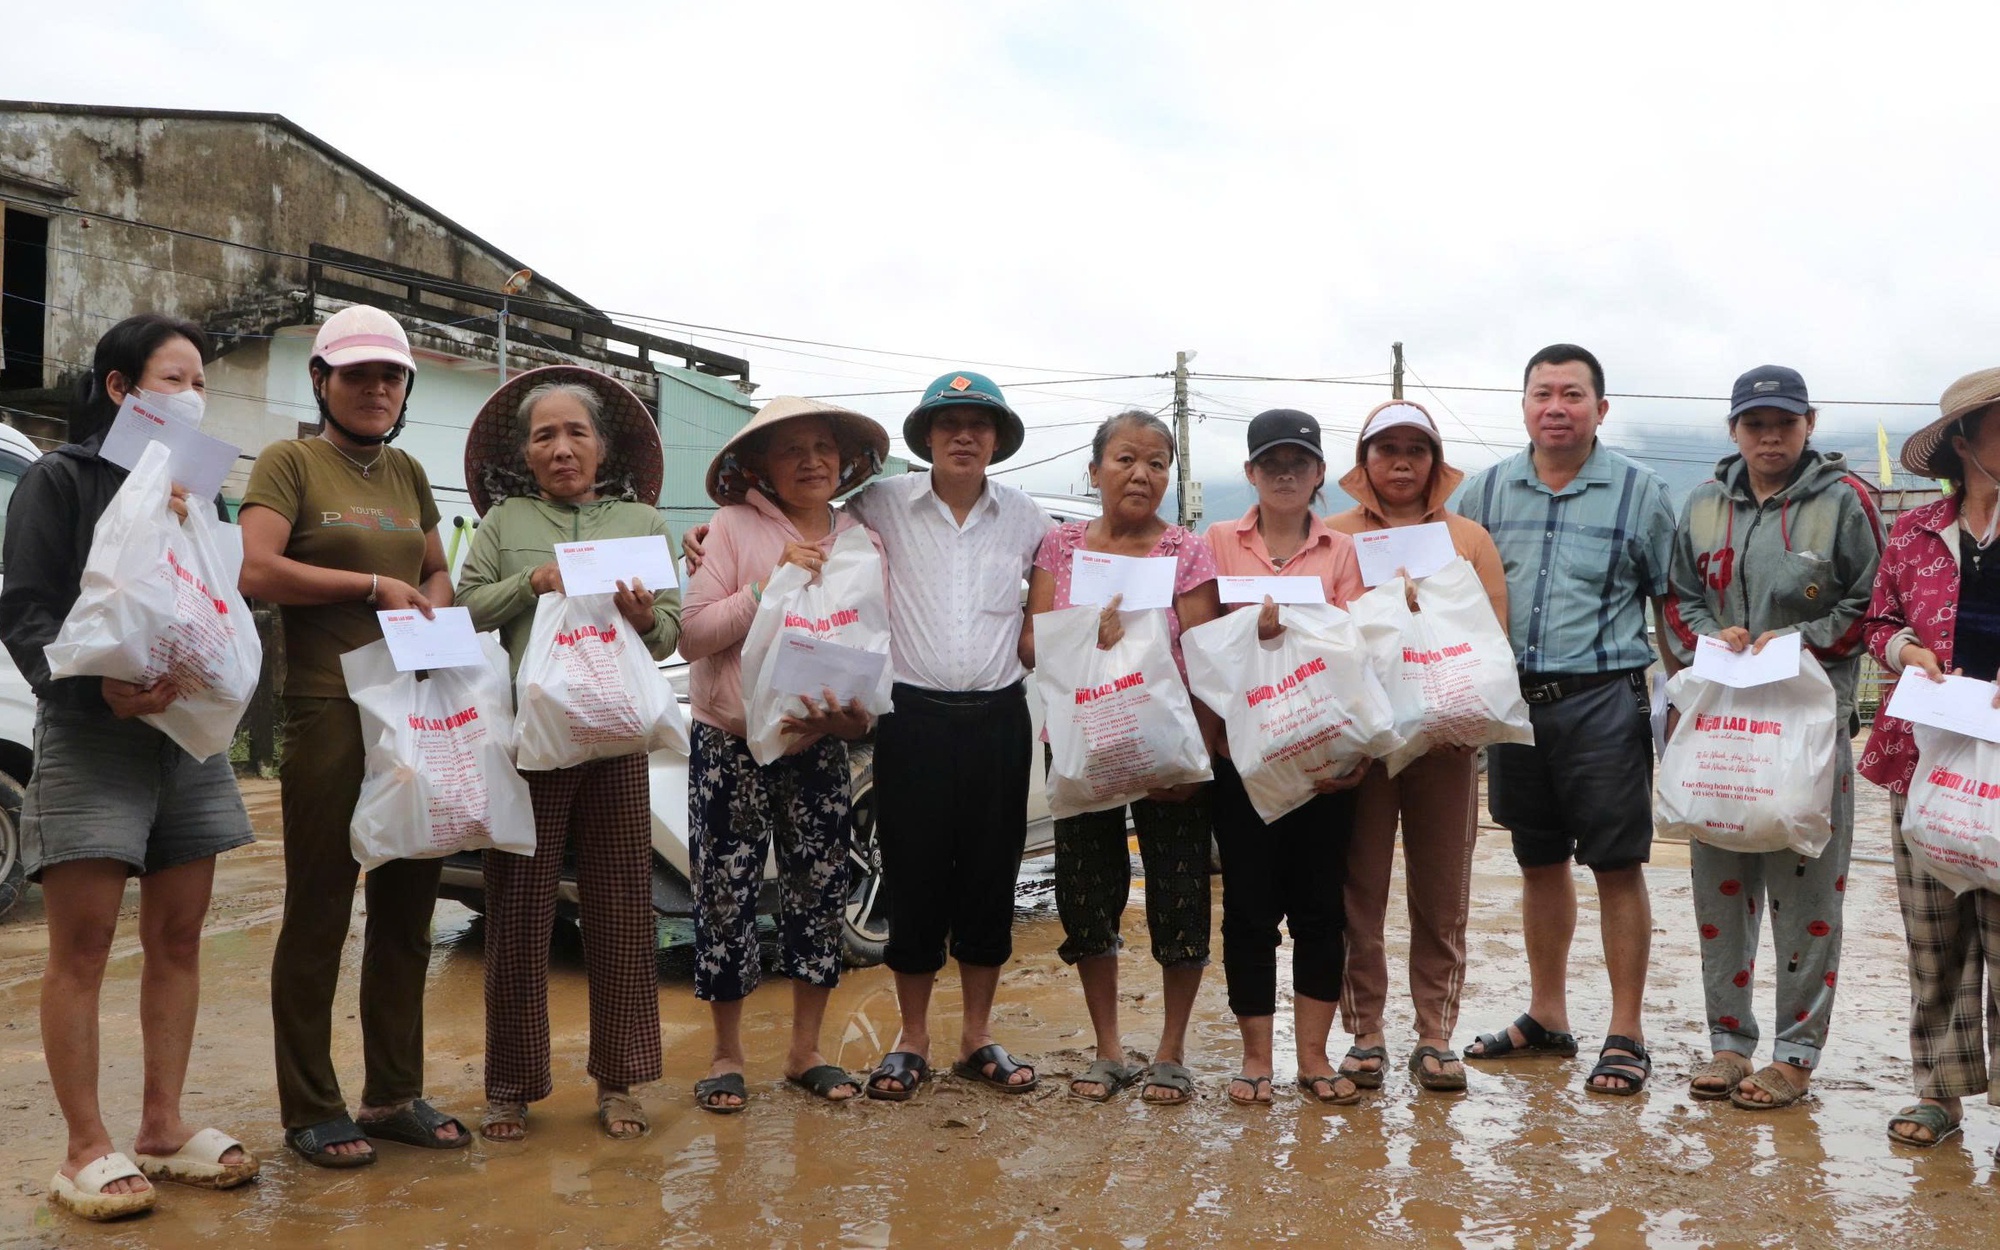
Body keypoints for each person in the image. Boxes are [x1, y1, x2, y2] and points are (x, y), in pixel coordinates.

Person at [0, 315, 258, 1220]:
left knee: (179, 939)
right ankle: (83, 1148)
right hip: (92, 734)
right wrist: (90, 694)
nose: (193, 396)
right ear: (121, 388)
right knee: (82, 946)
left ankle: (161, 1124)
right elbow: (26, 610)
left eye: (200, 384)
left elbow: (212, 601)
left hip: (186, 737)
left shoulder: (199, 488)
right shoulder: (60, 479)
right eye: (176, 378)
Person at [238, 305, 465, 1166]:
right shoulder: (289, 461)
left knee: (409, 905)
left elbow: (437, 567)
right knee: (322, 906)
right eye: (359, 373)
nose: (377, 388)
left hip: (414, 708)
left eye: (391, 376)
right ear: (322, 380)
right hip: (330, 704)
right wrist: (372, 584)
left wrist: (432, 603)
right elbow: (257, 567)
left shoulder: (407, 472)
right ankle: (310, 1106)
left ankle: (393, 1093)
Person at [455, 366, 682, 1143]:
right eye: (545, 435)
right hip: (530, 742)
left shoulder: (642, 521)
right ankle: (510, 1087)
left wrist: (645, 614)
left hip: (614, 738)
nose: (561, 448)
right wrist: (532, 581)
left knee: (621, 907)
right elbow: (463, 607)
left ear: (602, 444)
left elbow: (669, 631)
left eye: (576, 432)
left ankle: (620, 1082)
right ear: (525, 451)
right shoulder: (505, 522)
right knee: (517, 912)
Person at [1456, 344, 1678, 1095]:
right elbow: (1449, 597)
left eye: (1573, 394)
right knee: (1537, 858)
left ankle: (1626, 1031)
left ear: (1600, 409)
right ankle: (1546, 1016)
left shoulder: (1640, 493)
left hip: (1605, 700)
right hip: (1516, 704)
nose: (1558, 406)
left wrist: (1692, 699)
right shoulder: (1482, 495)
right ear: (1523, 405)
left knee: (1618, 864)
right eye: (1543, 393)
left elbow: (1670, 602)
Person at [1664, 366, 1883, 1110]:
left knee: (1808, 890)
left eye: (1783, 423)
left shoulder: (1845, 502)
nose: (1769, 436)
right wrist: (1705, 635)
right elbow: (1676, 596)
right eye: (1755, 423)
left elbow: (1873, 599)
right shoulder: (1700, 504)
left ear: (1809, 424)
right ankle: (1729, 1044)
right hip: (1723, 731)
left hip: (1807, 729)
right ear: (1733, 429)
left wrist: (1800, 641)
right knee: (1720, 889)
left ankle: (1794, 1054)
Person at [679, 397, 889, 1112]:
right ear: (760, 467)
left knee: (820, 892)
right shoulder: (733, 530)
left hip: (818, 743)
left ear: (845, 461)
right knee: (725, 893)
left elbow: (873, 646)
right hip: (731, 742)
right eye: (791, 449)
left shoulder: (861, 539)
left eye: (823, 446)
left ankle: (806, 1052)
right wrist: (768, 585)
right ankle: (726, 1056)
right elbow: (693, 635)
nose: (810, 460)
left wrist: (859, 718)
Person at [1021, 410, 1222, 1105]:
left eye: (1158, 462)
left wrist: (1193, 760)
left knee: (1179, 888)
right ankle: (1108, 1049)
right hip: (1081, 746)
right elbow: (1032, 647)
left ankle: (1170, 1050)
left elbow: (1200, 651)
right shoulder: (1062, 547)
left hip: (1164, 749)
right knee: (1085, 889)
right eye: (1126, 459)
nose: (1142, 474)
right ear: (1095, 468)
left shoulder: (1186, 552)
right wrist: (1089, 632)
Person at [1327, 400, 1509, 1096]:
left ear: (1436, 462)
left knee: (1442, 891)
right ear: (1364, 460)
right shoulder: (1334, 537)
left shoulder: (1468, 539)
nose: (1401, 461)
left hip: (1445, 744)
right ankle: (1365, 1032)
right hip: (1364, 749)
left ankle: (1434, 1032)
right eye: (1385, 449)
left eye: (1416, 449)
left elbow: (1492, 637)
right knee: (1358, 890)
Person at [1202, 409, 1369, 1107]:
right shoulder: (1214, 543)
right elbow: (1197, 643)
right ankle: (1255, 1058)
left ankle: (1313, 1056)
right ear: (1250, 472)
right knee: (1247, 910)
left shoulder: (1340, 553)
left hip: (1323, 765)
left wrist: (1356, 755)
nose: (1285, 474)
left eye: (1299, 463)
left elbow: (1359, 655)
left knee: (1320, 911)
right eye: (1271, 463)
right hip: (1243, 763)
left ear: (1319, 473)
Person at [1859, 366, 2000, 1154]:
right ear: (1964, 444)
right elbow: (1879, 618)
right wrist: (1906, 647)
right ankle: (1938, 1092)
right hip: (1925, 755)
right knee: (1934, 933)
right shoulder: (1914, 533)